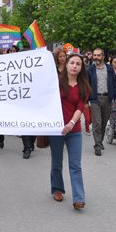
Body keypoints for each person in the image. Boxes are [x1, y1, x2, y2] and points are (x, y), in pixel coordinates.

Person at [49, 53, 90, 210]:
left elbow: (80, 107)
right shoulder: (55, 83)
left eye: (78, 64)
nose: (74, 66)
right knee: (57, 162)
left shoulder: (84, 86)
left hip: (74, 130)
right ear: (65, 64)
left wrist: (71, 123)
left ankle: (79, 198)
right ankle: (57, 189)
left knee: (75, 165)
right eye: (72, 63)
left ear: (81, 68)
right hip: (56, 130)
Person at [87, 48, 116, 156]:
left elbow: (115, 84)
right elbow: (87, 86)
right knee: (97, 123)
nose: (96, 57)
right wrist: (86, 100)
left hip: (107, 99)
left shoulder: (109, 69)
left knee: (104, 122)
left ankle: (99, 141)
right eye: (94, 55)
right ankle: (97, 145)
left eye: (98, 55)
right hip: (95, 99)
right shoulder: (90, 70)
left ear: (103, 56)